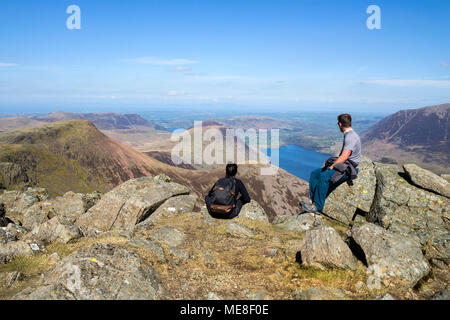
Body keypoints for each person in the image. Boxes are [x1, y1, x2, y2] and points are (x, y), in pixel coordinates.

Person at [302, 114, 361, 215]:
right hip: (344, 164)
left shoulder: (350, 136)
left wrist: (332, 166)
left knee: (325, 176)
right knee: (315, 174)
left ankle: (318, 207)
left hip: (348, 167)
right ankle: (313, 201)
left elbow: (345, 156)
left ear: (340, 124)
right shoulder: (349, 134)